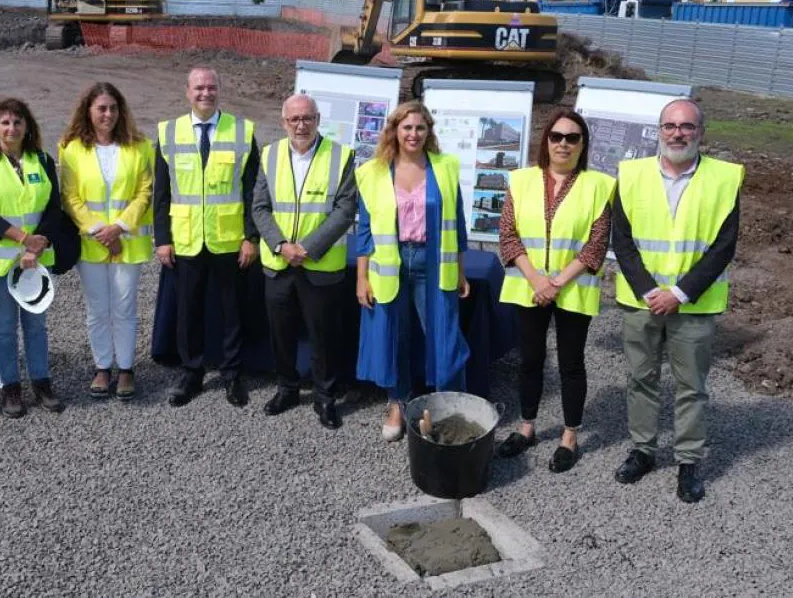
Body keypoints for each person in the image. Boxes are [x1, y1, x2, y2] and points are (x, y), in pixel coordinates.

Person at [611, 98, 743, 503]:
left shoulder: (724, 179)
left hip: (694, 305)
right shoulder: (630, 175)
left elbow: (724, 246)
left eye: (686, 126)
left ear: (701, 132)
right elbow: (623, 241)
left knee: (691, 387)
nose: (677, 133)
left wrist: (680, 293)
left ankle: (688, 461)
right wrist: (651, 291)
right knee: (641, 379)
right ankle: (643, 450)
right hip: (643, 301)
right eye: (670, 126)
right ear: (658, 130)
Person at [495, 108, 614, 473]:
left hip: (572, 289)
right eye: (556, 137)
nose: (563, 144)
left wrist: (556, 283)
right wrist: (537, 281)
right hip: (529, 288)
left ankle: (569, 435)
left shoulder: (600, 185)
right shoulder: (520, 181)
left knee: (571, 363)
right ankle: (527, 427)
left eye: (572, 138)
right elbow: (508, 235)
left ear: (583, 145)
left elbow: (597, 243)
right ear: (546, 141)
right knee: (530, 360)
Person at [355, 102, 470, 442]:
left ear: (428, 131)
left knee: (444, 337)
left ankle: (447, 406)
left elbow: (458, 223)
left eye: (420, 128)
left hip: (433, 263)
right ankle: (396, 403)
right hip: (390, 265)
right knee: (393, 336)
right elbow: (365, 230)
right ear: (394, 130)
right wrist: (362, 277)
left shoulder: (445, 168)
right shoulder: (373, 171)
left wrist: (461, 271)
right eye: (407, 127)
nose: (413, 134)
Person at [153, 67, 260, 408]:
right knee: (189, 310)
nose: (206, 93)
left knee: (231, 310)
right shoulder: (168, 132)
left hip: (229, 239)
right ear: (187, 91)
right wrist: (162, 239)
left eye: (212, 87)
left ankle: (231, 373)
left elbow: (252, 189)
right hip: (185, 239)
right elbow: (162, 192)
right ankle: (192, 372)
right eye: (199, 87)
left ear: (219, 90)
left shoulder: (242, 131)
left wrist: (251, 237)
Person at [252, 94, 357, 429]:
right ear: (284, 122)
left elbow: (345, 211)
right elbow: (259, 207)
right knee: (280, 332)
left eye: (307, 118)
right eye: (294, 119)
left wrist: (308, 248)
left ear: (317, 120)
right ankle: (287, 388)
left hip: (320, 266)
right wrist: (282, 245)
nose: (301, 125)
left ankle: (325, 398)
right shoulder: (269, 155)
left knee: (322, 335)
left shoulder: (341, 156)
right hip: (279, 263)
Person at [0, 98, 65, 418]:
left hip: (36, 260)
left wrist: (38, 244)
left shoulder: (43, 160)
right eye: (5, 122)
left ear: (27, 126)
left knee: (36, 326)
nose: (11, 128)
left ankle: (41, 382)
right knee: (4, 328)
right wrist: (23, 239)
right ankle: (10, 387)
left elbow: (53, 208)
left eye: (17, 122)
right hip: (1, 262)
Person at [59, 82, 153, 401]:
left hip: (128, 241)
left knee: (125, 306)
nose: (107, 114)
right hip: (92, 243)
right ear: (88, 110)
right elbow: (69, 196)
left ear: (121, 111)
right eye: (101, 108)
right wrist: (100, 230)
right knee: (98, 308)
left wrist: (120, 228)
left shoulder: (140, 146)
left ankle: (125, 368)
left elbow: (145, 192)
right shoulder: (71, 148)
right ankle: (102, 366)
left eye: (113, 108)